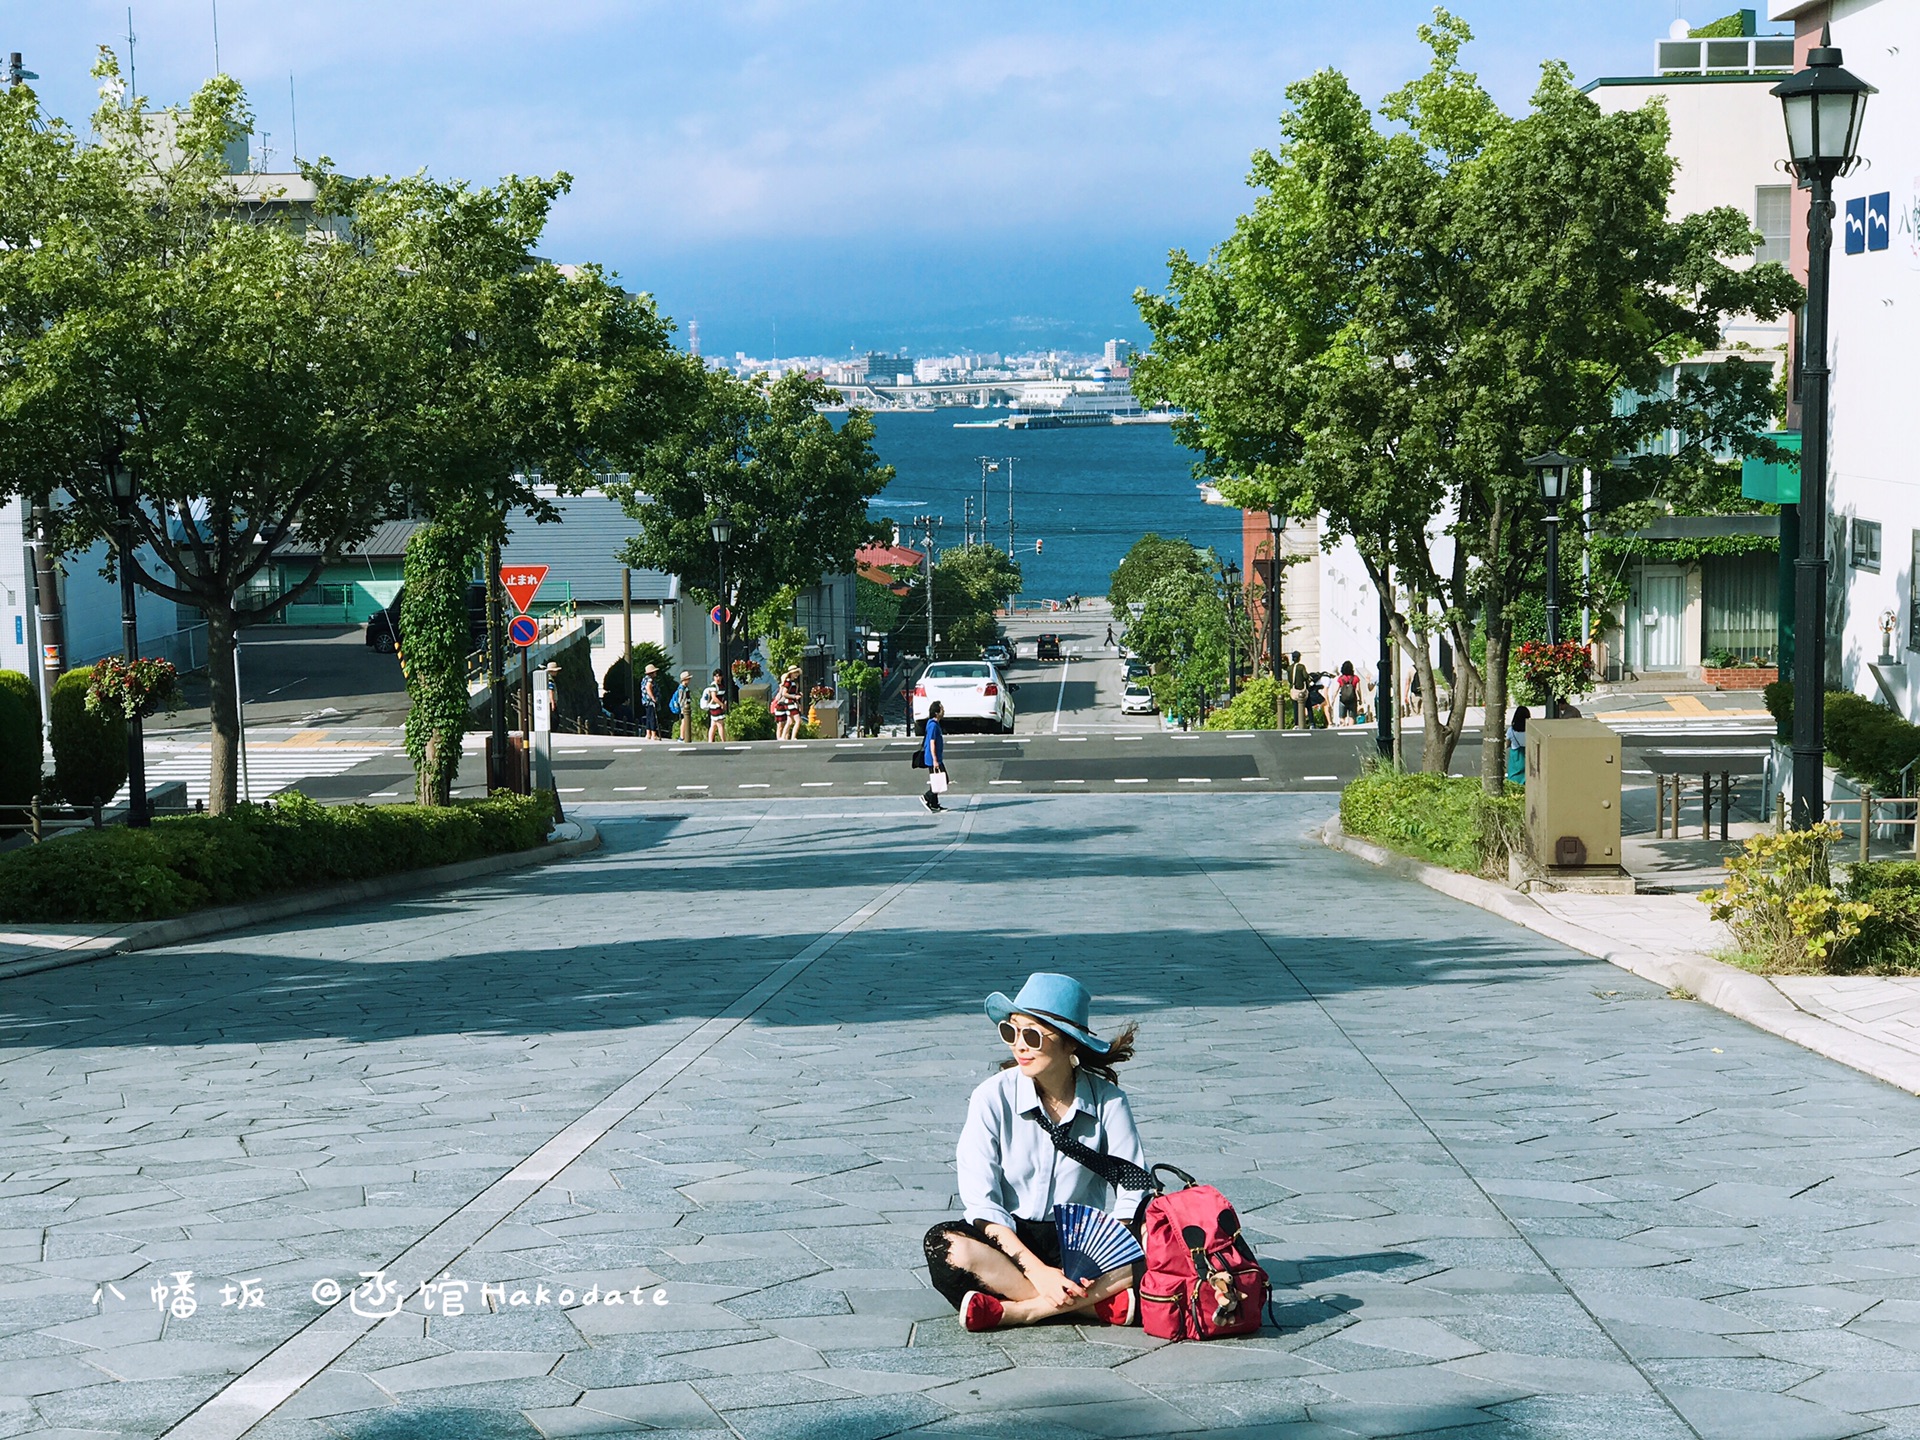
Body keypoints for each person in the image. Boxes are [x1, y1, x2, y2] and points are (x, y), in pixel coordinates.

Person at [923, 972, 1147, 1333]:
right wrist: (1038, 1271)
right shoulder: (991, 1097)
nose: (1019, 1046)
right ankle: (1093, 1306)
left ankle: (1023, 1311)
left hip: (1085, 1247)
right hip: (1011, 1240)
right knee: (944, 1246)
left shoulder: (1109, 1101)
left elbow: (1134, 1190)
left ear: (1070, 1045)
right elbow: (982, 1203)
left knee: (1156, 1240)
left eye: (1032, 1035)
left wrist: (1104, 1255)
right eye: (1011, 1032)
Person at [922, 700, 948, 812]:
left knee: (937, 780)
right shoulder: (933, 725)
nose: (944, 710)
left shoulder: (933, 723)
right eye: (942, 709)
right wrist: (935, 760)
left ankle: (934, 804)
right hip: (933, 758)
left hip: (934, 757)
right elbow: (932, 743)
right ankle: (927, 796)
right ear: (936, 712)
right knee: (943, 779)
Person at [701, 669, 727, 742]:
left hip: (718, 707)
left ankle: (710, 741)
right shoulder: (714, 686)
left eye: (719, 676)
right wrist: (721, 704)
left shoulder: (721, 685)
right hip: (715, 707)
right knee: (720, 724)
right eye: (716, 676)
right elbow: (714, 697)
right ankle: (723, 741)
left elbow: (723, 696)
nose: (717, 678)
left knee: (714, 725)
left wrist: (724, 703)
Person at [1507, 705, 1530, 787]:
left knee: (1514, 778)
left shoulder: (1511, 731)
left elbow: (1507, 744)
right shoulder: (1530, 730)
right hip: (1528, 755)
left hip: (1516, 757)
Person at [1336, 662, 1364, 727]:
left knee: (1342, 717)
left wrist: (1333, 699)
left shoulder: (1341, 678)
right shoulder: (1356, 678)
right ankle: (1350, 729)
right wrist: (1360, 699)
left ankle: (1342, 727)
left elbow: (1336, 689)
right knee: (1352, 717)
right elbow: (1358, 689)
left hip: (1343, 699)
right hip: (1352, 699)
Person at [1287, 651, 1309, 730]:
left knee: (1295, 707)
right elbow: (1306, 676)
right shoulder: (1301, 667)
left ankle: (1296, 724)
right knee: (1306, 706)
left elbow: (1289, 679)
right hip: (1301, 690)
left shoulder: (1289, 668)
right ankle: (1306, 723)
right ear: (1299, 658)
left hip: (1293, 690)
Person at [639, 664, 661, 739]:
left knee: (648, 717)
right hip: (650, 701)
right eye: (654, 672)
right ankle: (653, 734)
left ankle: (648, 733)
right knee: (652, 717)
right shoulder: (650, 680)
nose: (656, 673)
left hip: (645, 701)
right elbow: (648, 688)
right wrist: (653, 698)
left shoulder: (644, 679)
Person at [674, 670, 694, 743]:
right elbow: (680, 699)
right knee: (684, 722)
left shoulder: (685, 687)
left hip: (686, 707)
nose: (689, 680)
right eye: (688, 679)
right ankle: (682, 737)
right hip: (684, 709)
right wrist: (684, 707)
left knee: (685, 722)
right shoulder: (681, 688)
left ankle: (684, 736)